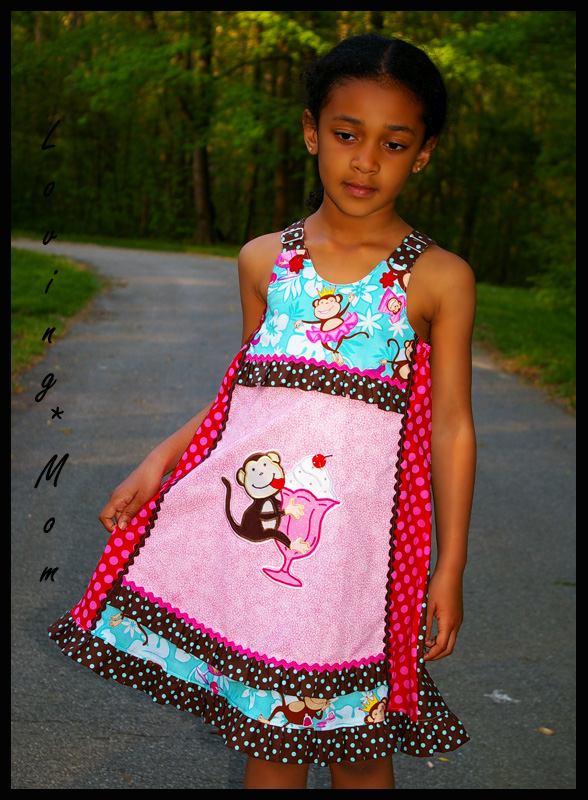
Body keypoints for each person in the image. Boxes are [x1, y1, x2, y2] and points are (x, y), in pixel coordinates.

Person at [48, 33, 476, 790]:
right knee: (270, 739)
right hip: (269, 555)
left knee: (361, 750)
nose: (365, 161)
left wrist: (451, 564)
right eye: (346, 135)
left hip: (359, 564)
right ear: (312, 131)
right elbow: (244, 401)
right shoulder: (263, 260)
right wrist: (159, 461)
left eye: (393, 143)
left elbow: (451, 427)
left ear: (424, 154)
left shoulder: (438, 278)